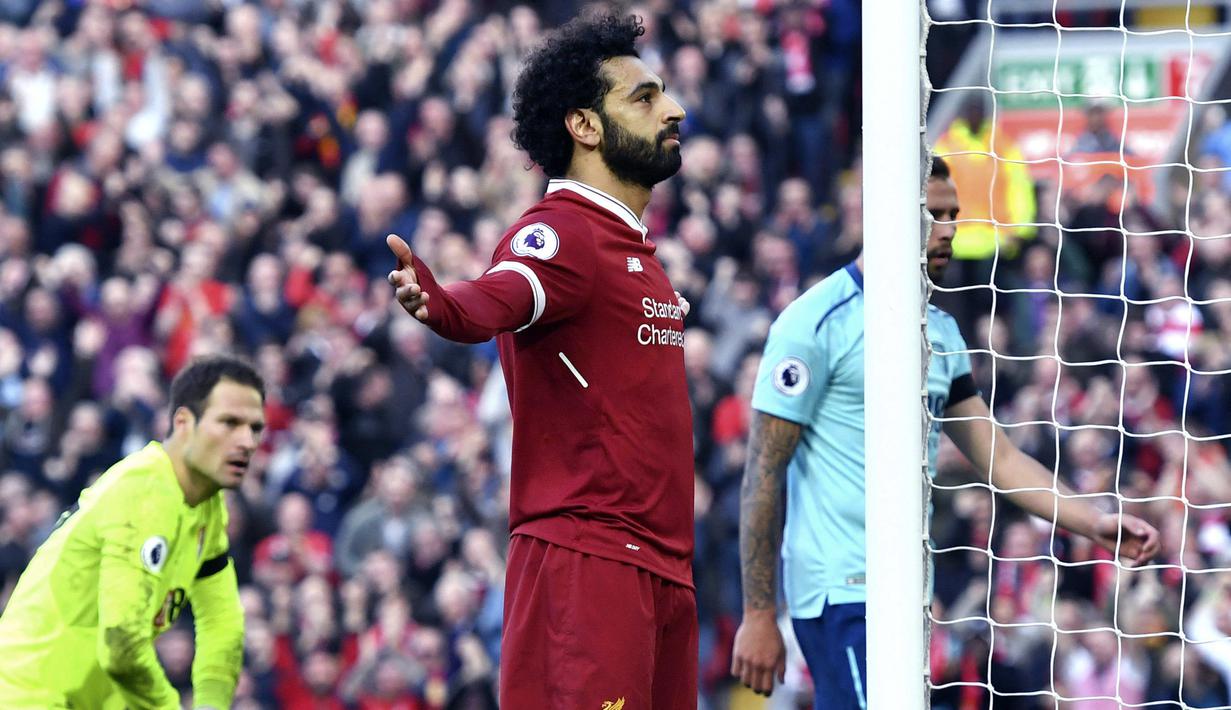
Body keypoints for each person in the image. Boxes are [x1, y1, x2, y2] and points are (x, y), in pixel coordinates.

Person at [729, 157, 1162, 703]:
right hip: (841, 592)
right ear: (885, 214)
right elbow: (763, 472)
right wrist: (759, 613)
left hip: (911, 593)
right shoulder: (814, 323)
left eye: (953, 214)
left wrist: (1093, 522)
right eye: (933, 214)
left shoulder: (940, 332)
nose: (950, 229)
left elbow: (1000, 458)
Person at [385, 12, 697, 708]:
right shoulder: (562, 234)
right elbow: (501, 293)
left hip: (661, 569)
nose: (674, 109)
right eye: (644, 98)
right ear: (584, 126)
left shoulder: (635, 254)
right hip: (589, 565)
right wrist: (442, 304)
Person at [0, 354, 264, 709]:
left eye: (254, 428)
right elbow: (121, 646)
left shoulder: (207, 506)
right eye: (229, 423)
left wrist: (212, 704)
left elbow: (222, 620)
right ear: (184, 423)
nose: (246, 441)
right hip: (31, 695)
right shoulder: (145, 492)